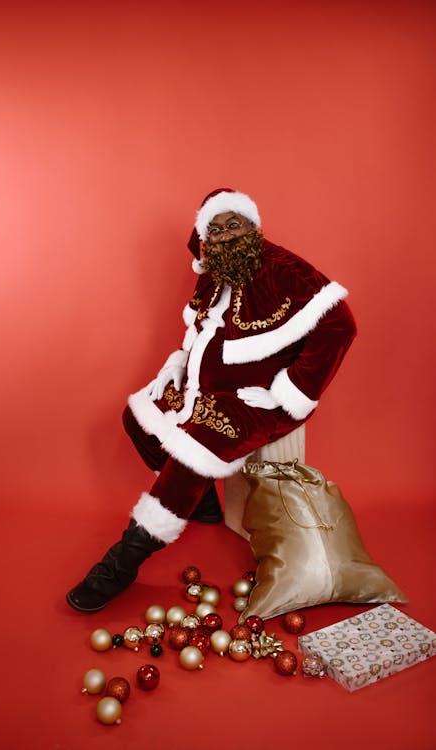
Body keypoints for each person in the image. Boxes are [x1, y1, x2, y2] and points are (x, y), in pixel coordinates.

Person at [66, 188, 357, 613]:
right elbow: (198, 334)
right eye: (214, 230)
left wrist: (289, 392)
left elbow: (340, 326)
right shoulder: (213, 273)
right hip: (201, 387)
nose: (224, 237)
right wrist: (177, 365)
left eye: (233, 224)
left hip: (253, 399)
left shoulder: (283, 268)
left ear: (252, 227)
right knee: (138, 417)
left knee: (191, 454)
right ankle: (202, 503)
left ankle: (123, 562)